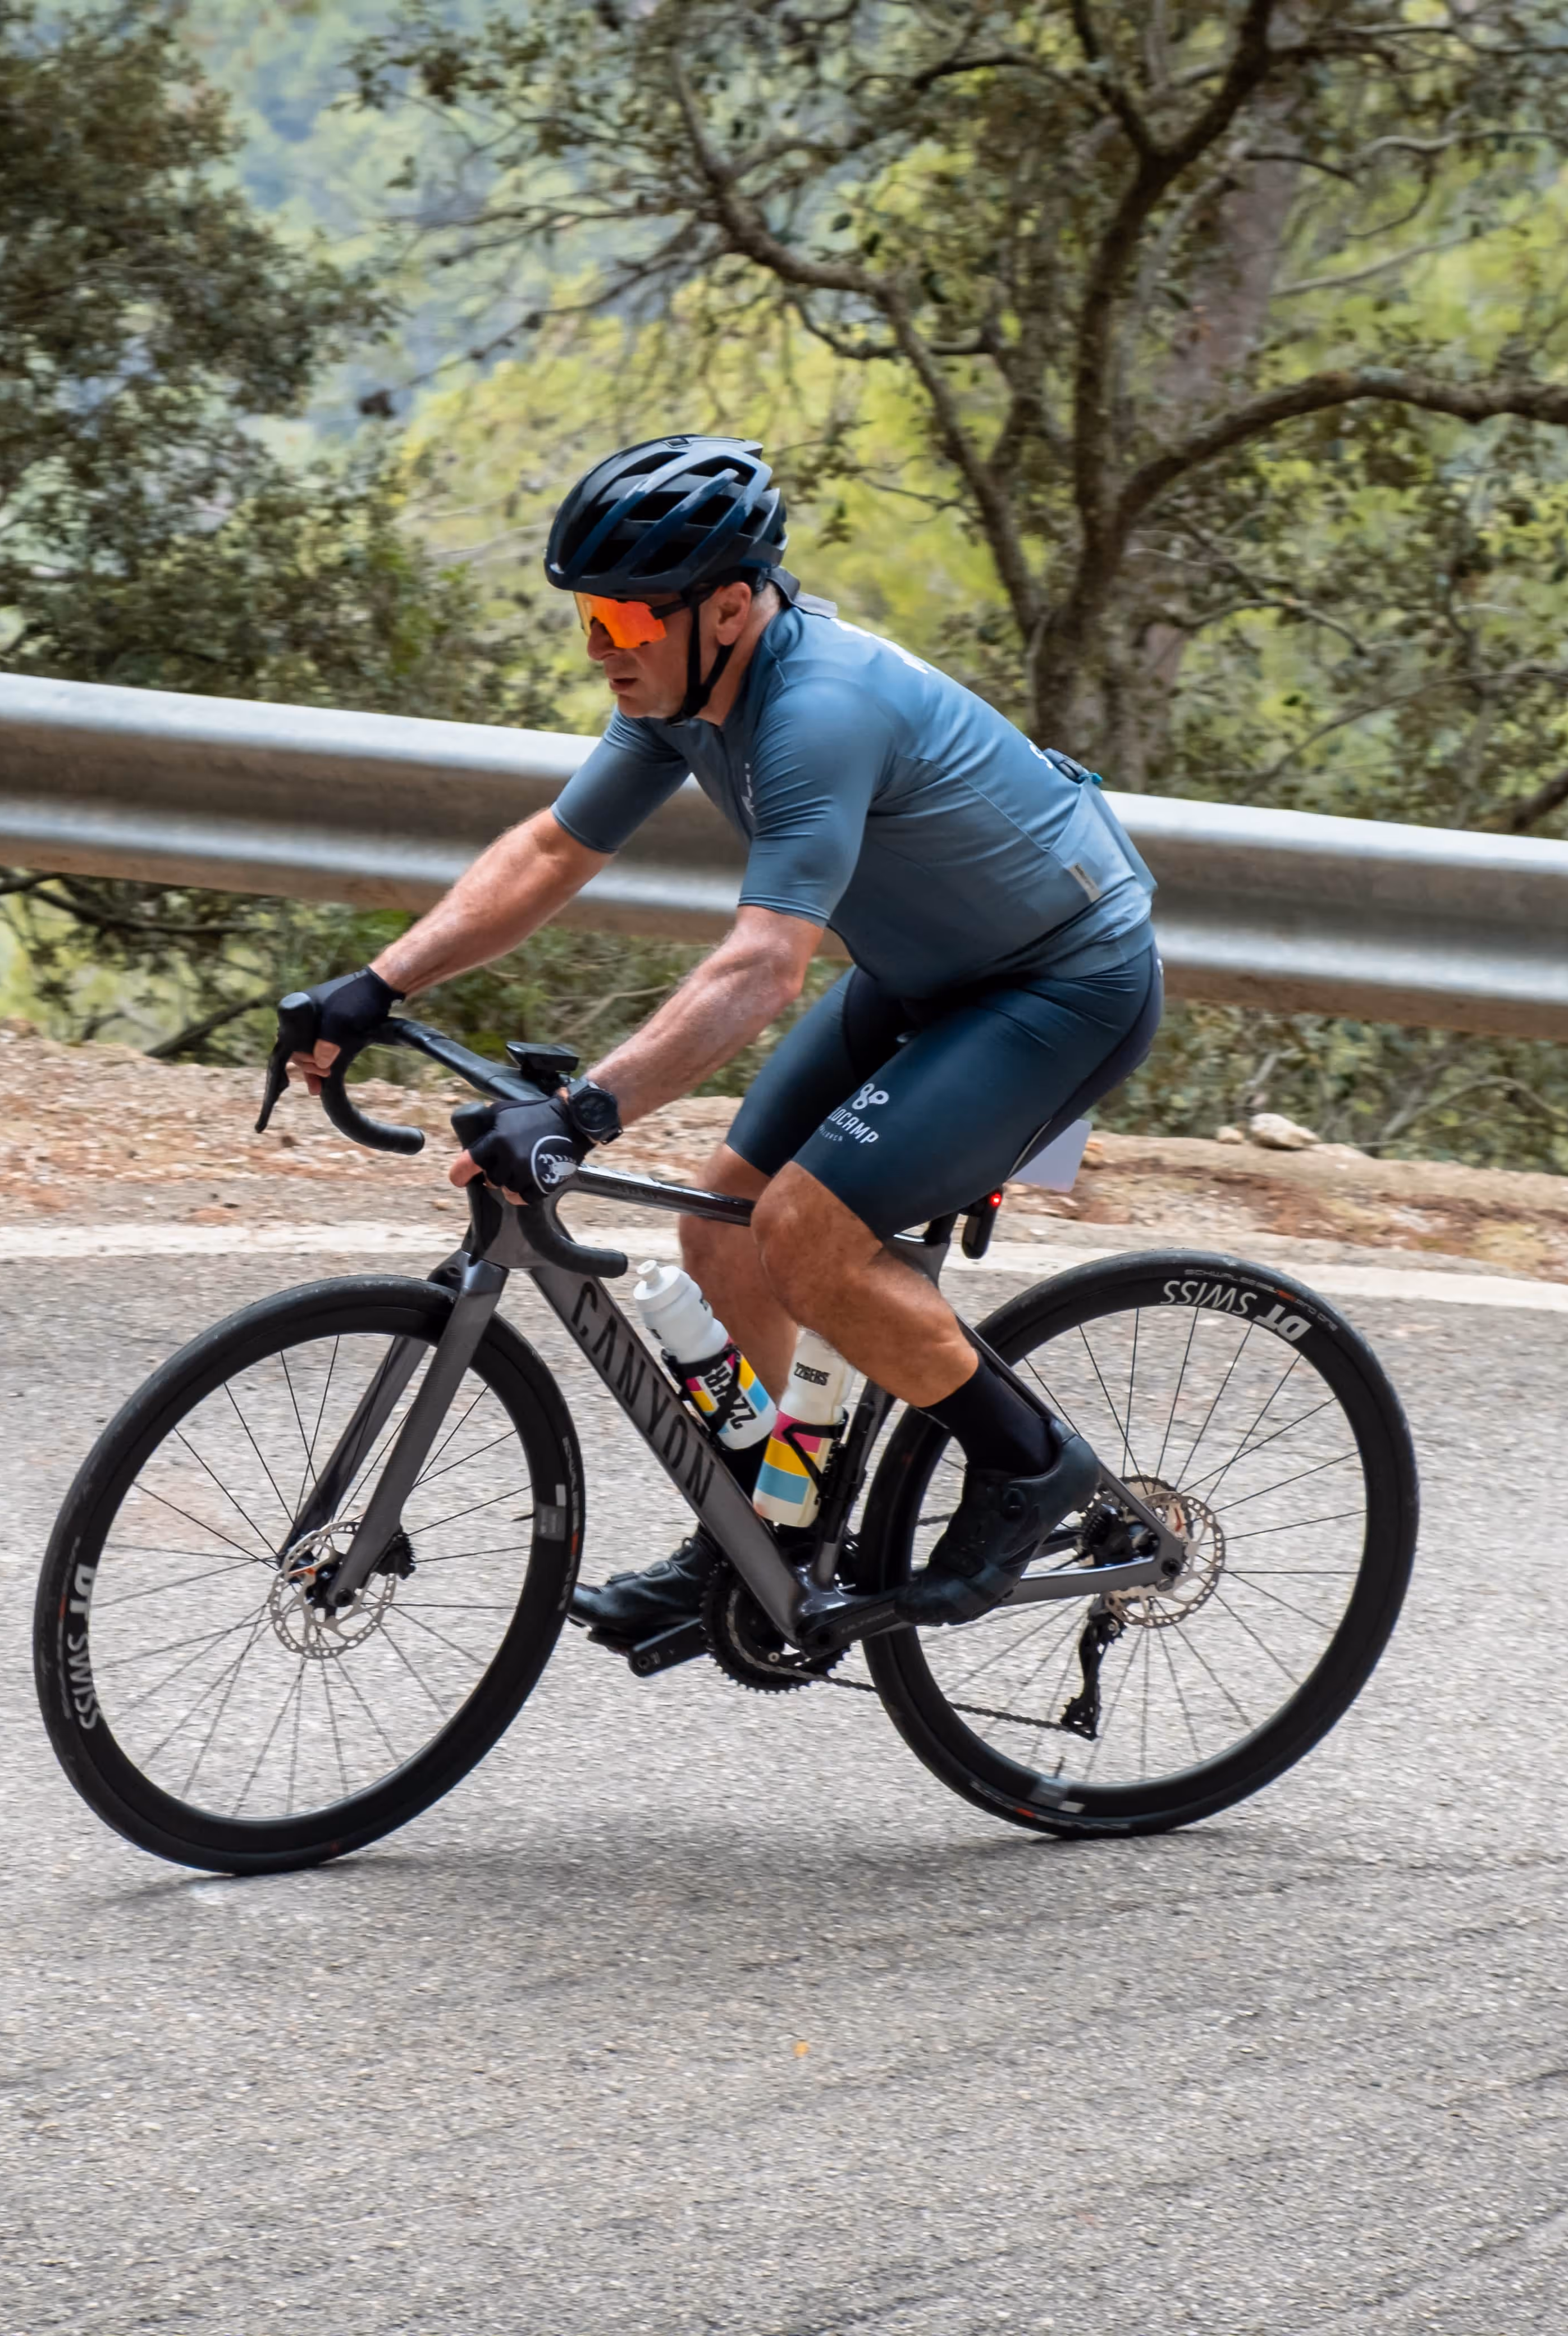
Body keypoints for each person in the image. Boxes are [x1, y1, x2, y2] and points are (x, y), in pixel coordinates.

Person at [288, 434, 1162, 1649]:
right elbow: (551, 853)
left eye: (623, 622)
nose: (600, 650)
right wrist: (375, 984)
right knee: (723, 1227)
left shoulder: (817, 712)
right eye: (588, 617)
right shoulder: (684, 693)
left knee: (809, 1233)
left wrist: (588, 1112)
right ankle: (771, 1527)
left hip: (1066, 984)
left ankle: (1031, 1469)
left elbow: (763, 966)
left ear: (733, 606)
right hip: (922, 978)